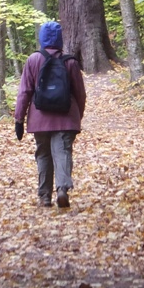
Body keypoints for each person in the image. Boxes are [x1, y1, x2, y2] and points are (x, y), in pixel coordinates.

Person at [14, 21, 86, 208]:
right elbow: (80, 93)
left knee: (43, 155)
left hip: (39, 119)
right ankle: (62, 189)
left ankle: (44, 196)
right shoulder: (70, 62)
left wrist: (19, 119)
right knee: (62, 152)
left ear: (42, 38)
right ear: (60, 39)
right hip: (66, 117)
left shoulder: (33, 60)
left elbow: (25, 91)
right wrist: (78, 116)